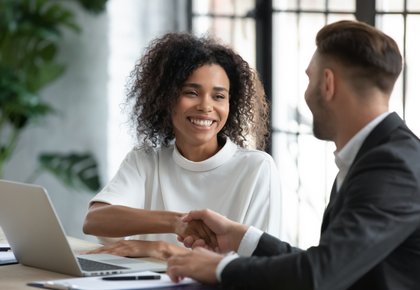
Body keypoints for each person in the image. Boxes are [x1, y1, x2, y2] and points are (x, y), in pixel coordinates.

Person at [166, 20, 420, 289]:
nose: (306, 92)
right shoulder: (377, 156)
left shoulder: (392, 166)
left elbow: (318, 274)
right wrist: (241, 237)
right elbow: (330, 264)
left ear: (327, 84)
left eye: (309, 78)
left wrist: (220, 267)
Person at [82, 32, 282, 261]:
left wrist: (162, 249)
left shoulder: (256, 168)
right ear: (166, 98)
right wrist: (176, 222)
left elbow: (261, 268)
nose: (206, 106)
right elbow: (94, 221)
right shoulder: (145, 161)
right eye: (192, 93)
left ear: (230, 104)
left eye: (219, 96)